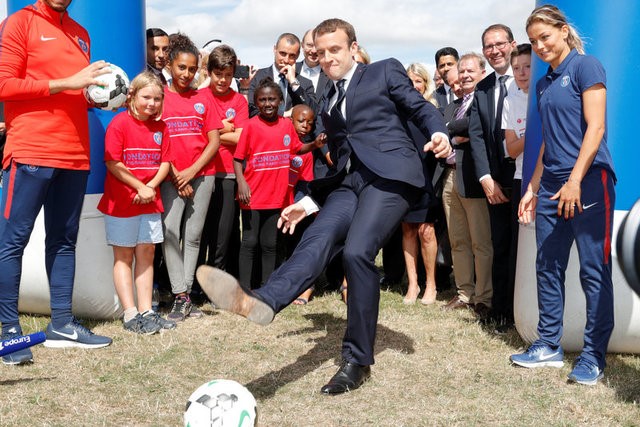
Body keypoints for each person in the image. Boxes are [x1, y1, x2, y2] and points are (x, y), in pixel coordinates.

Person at [197, 18, 450, 395]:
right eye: (321, 51)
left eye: (336, 49)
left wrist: (438, 131)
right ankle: (264, 300)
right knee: (317, 237)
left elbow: (417, 107)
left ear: (352, 47)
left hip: (392, 178)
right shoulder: (328, 100)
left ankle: (358, 360)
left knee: (358, 252)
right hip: (351, 184)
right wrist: (310, 201)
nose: (327, 57)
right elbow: (343, 157)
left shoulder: (382, 71)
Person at [0, 0, 114, 364]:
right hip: (31, 151)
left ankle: (62, 324)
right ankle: (8, 331)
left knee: (64, 241)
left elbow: (75, 91)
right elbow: (5, 85)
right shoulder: (20, 23)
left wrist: (102, 93)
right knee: (12, 242)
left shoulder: (81, 34)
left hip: (75, 154)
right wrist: (70, 82)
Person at [510, 5, 615, 386]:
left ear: (563, 31)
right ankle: (548, 345)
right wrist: (534, 187)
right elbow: (547, 143)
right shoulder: (543, 82)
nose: (540, 46)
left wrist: (574, 180)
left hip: (588, 182)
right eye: (534, 41)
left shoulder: (587, 67)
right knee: (547, 265)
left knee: (593, 270)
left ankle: (593, 356)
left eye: (545, 37)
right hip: (553, 183)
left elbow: (596, 127)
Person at [97, 72, 176, 334]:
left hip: (149, 202)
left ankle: (147, 311)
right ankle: (130, 314)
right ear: (132, 96)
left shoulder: (161, 128)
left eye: (157, 98)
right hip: (122, 202)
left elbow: (165, 162)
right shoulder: (119, 124)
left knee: (147, 254)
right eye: (146, 97)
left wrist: (150, 187)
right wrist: (139, 186)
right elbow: (113, 162)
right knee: (124, 256)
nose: (152, 103)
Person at [234, 80, 325, 290]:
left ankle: (268, 288)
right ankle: (244, 290)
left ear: (281, 101)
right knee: (249, 243)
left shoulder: (286, 126)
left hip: (276, 196)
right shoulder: (249, 125)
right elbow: (238, 159)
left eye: (272, 99)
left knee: (269, 244)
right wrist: (242, 183)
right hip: (253, 196)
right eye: (262, 99)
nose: (267, 103)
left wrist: (315, 144)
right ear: (256, 102)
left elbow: (297, 149)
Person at [160, 33, 222, 322]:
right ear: (171, 65)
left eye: (192, 68)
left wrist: (191, 173)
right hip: (170, 177)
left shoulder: (204, 99)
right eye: (181, 67)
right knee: (171, 233)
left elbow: (213, 142)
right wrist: (176, 175)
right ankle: (179, 294)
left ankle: (184, 298)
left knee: (193, 237)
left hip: (202, 176)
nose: (187, 73)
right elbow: (156, 141)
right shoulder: (160, 97)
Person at [468, 23, 517, 327]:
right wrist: (485, 178)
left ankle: (521, 310)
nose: (495, 50)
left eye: (500, 44)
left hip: (526, 177)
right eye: (489, 46)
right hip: (495, 182)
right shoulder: (483, 88)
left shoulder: (528, 80)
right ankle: (500, 311)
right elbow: (475, 136)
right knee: (500, 244)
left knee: (521, 248)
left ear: (513, 44)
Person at [437, 54, 493, 318]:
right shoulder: (456, 104)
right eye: (462, 71)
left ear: (483, 72)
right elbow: (451, 129)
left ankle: (484, 297)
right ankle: (464, 293)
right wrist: (457, 134)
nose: (466, 75)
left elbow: (473, 127)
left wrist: (455, 131)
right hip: (450, 176)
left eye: (471, 70)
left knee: (480, 241)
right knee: (458, 240)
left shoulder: (485, 99)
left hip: (473, 176)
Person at [197, 45, 249, 279]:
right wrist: (223, 128)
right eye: (219, 74)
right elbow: (195, 134)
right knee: (201, 230)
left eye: (228, 75)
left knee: (223, 233)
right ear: (208, 72)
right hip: (202, 172)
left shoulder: (238, 101)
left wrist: (213, 131)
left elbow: (241, 137)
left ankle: (218, 281)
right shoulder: (198, 98)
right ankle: (195, 283)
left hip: (228, 174)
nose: (223, 80)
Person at [401, 63, 440, 305]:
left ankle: (431, 285)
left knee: (427, 231)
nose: (414, 85)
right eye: (410, 81)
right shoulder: (397, 112)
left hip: (428, 178)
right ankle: (413, 285)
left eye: (419, 81)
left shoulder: (430, 110)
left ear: (426, 84)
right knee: (407, 230)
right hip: (404, 179)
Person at [500, 43, 531, 333]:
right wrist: (535, 133)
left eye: (527, 66)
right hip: (521, 179)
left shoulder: (547, 93)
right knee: (517, 247)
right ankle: (511, 313)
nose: (522, 73)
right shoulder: (512, 98)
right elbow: (511, 150)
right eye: (516, 68)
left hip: (548, 180)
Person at [247, 33, 316, 118]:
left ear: (298, 55)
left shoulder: (305, 83)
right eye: (283, 53)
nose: (286, 60)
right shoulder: (258, 76)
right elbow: (251, 109)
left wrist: (294, 83)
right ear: (275, 49)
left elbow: (313, 111)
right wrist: (283, 114)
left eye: (292, 56)